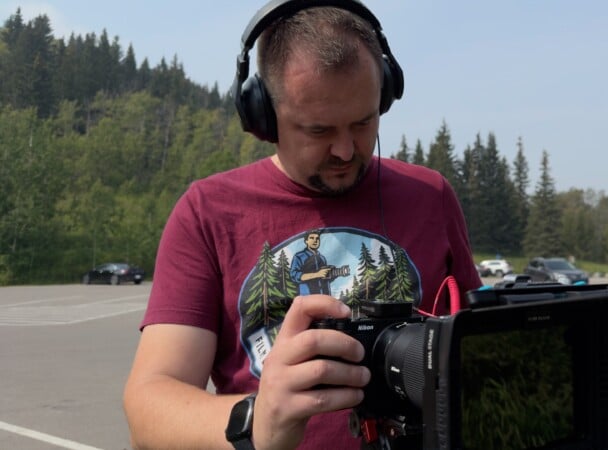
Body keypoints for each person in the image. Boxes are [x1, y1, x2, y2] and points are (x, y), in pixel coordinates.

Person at [122, 1, 481, 449]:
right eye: (318, 131)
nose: (346, 150)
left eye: (364, 122)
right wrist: (260, 420)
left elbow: (482, 351)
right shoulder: (207, 211)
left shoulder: (431, 195)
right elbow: (148, 407)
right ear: (264, 118)